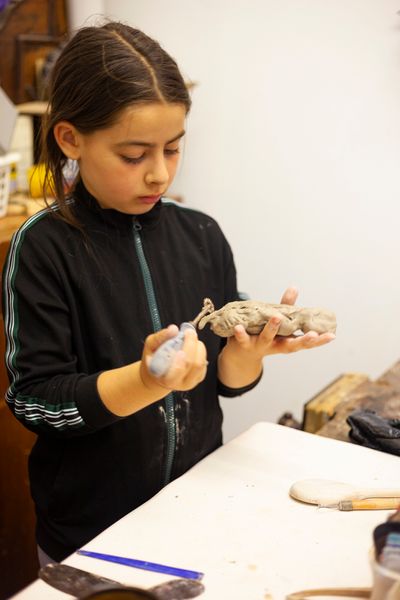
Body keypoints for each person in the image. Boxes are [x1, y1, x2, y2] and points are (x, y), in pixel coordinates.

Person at [1, 21, 335, 565]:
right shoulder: (42, 249)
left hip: (196, 507)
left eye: (173, 149)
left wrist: (245, 357)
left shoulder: (201, 234)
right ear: (70, 139)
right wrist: (144, 381)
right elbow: (36, 403)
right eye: (134, 156)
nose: (158, 174)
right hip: (90, 536)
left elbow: (227, 386)